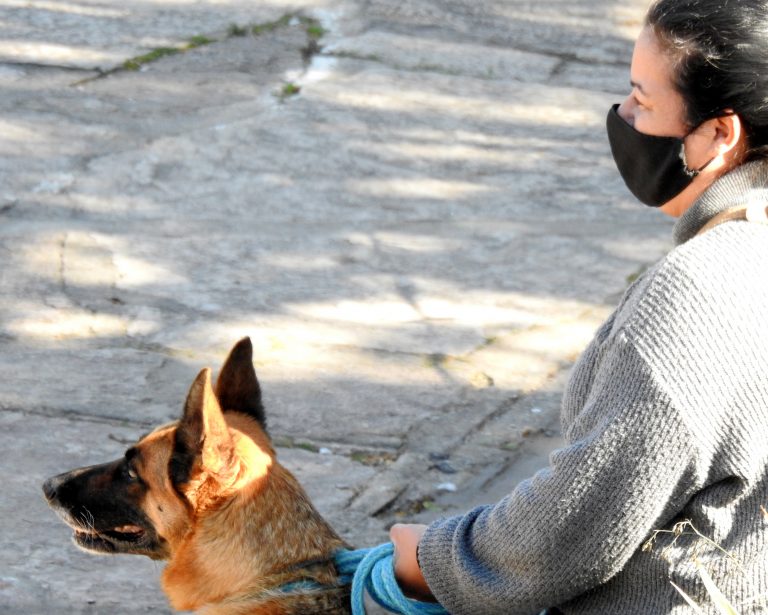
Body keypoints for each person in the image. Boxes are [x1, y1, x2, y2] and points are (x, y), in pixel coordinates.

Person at [389, 0, 768, 613]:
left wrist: (432, 556)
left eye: (642, 100)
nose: (623, 116)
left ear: (720, 134)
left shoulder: (695, 294)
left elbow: (572, 530)